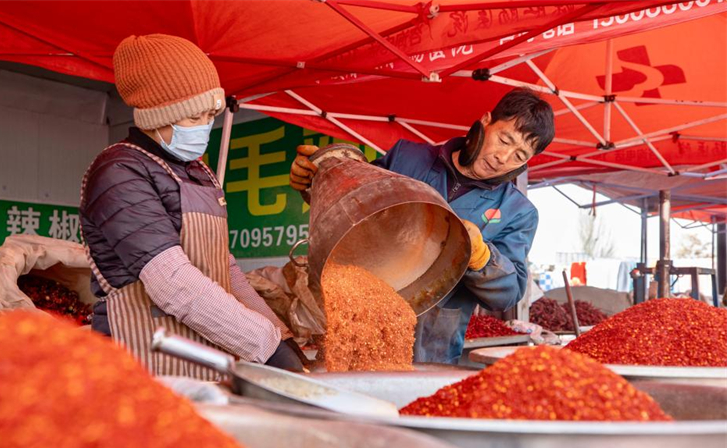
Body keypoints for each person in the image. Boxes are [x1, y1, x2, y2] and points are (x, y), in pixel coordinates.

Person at [80, 34, 304, 378]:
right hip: (140, 360)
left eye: (208, 116)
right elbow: (171, 282)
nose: (203, 128)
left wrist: (280, 337)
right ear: (157, 116)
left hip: (199, 358)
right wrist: (266, 346)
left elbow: (225, 270)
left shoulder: (198, 171)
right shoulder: (120, 172)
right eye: (191, 118)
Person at [289, 88, 555, 363]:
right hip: (360, 317)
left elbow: (509, 293)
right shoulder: (407, 158)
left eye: (519, 154)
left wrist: (481, 256)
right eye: (504, 139)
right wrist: (315, 182)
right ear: (486, 121)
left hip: (434, 343)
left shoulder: (518, 212)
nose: (504, 157)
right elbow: (354, 201)